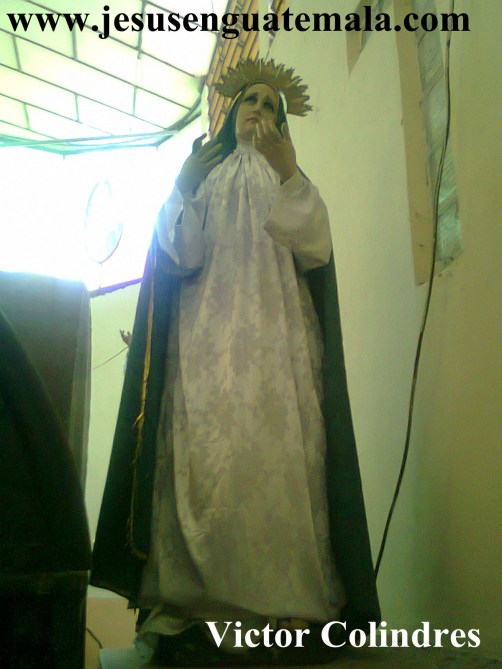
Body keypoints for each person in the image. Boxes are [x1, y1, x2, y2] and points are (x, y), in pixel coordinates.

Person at [91, 59, 380, 665]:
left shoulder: (288, 179)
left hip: (278, 342)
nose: (259, 111)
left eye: (271, 105)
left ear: (282, 122)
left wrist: (289, 172)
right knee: (203, 456)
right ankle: (195, 605)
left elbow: (314, 247)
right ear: (230, 112)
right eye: (251, 101)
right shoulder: (209, 176)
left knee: (279, 454)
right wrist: (182, 185)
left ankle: (284, 605)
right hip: (207, 340)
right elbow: (180, 252)